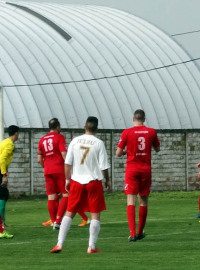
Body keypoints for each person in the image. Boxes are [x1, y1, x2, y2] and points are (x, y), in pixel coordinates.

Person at [51, 116, 110, 254]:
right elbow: (104, 166)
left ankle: (59, 244)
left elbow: (67, 163)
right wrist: (107, 180)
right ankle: (91, 246)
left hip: (77, 181)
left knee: (69, 212)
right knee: (95, 214)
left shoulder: (75, 141)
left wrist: (67, 180)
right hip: (93, 181)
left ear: (84, 127)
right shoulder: (99, 143)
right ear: (97, 129)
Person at [117, 109, 160, 242]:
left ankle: (132, 233)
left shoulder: (127, 132)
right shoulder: (151, 131)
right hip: (146, 169)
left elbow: (118, 153)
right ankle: (140, 232)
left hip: (132, 169)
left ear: (133, 119)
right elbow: (157, 149)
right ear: (144, 119)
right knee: (144, 200)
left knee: (131, 199)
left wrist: (125, 151)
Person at [38, 119, 89, 229]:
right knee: (67, 195)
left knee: (52, 197)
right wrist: (70, 167)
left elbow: (39, 159)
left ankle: (54, 221)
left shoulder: (42, 139)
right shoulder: (59, 137)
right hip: (60, 170)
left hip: (48, 171)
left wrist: (46, 166)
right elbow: (64, 155)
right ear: (57, 127)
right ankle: (58, 220)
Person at [0, 125, 19, 227]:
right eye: (18, 133)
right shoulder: (10, 145)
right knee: (3, 195)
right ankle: (0, 223)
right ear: (16, 133)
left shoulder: (4, 142)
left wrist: (5, 169)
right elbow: (2, 159)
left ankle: (0, 221)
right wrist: (3, 175)